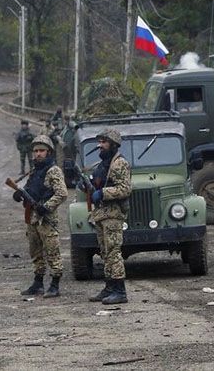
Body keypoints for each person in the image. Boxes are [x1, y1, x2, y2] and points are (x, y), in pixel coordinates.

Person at [13, 135, 68, 298]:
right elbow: (31, 190)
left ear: (49, 152)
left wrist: (46, 207)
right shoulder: (35, 170)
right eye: (36, 151)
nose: (38, 154)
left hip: (47, 219)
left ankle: (55, 284)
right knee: (35, 251)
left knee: (52, 251)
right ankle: (38, 283)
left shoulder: (53, 170)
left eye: (42, 151)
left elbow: (62, 193)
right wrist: (20, 194)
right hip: (33, 218)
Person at [86, 129, 131, 304]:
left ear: (113, 144)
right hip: (101, 214)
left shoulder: (119, 163)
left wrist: (102, 193)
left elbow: (125, 189)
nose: (100, 145)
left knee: (113, 252)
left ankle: (120, 291)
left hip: (113, 214)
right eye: (100, 142)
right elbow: (98, 184)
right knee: (105, 253)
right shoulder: (103, 164)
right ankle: (109, 287)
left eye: (104, 142)